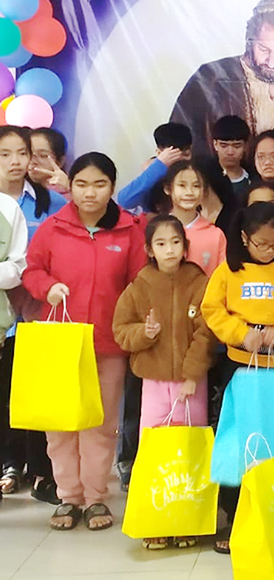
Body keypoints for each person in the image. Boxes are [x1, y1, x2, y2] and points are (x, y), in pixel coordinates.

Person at [23, 152, 147, 531]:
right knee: (60, 423)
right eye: (81, 184)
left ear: (112, 187)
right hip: (60, 343)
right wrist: (48, 287)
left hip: (108, 345)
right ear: (70, 186)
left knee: (101, 424)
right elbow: (32, 271)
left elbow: (139, 284)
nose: (90, 193)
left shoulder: (129, 231)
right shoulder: (54, 227)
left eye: (99, 184)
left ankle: (95, 498)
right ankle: (68, 497)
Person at [201, 202, 274, 552]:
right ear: (244, 238)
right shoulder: (228, 272)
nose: (269, 250)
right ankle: (235, 517)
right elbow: (212, 309)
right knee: (239, 442)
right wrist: (239, 332)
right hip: (238, 368)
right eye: (261, 244)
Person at [111, 215, 214, 549]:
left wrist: (191, 374)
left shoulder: (199, 282)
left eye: (175, 242)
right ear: (149, 249)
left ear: (185, 246)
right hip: (153, 382)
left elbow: (207, 332)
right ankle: (154, 520)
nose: (169, 250)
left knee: (188, 451)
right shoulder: (139, 285)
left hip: (191, 383)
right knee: (154, 450)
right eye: (161, 243)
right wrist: (145, 333)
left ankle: (186, 520)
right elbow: (121, 330)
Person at [0, 126, 62, 504]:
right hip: (5, 318)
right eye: (4, 154)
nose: (14, 162)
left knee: (37, 399)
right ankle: (9, 464)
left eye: (21, 153)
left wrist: (69, 188)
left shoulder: (48, 201)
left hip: (38, 318)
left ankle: (41, 471)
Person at [171, 0, 274, 158]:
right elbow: (178, 138)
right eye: (264, 49)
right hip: (219, 181)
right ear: (249, 41)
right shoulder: (211, 77)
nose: (272, 62)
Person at [160, 161, 227, 275]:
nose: (189, 192)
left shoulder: (215, 235)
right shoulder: (157, 230)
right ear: (167, 189)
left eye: (196, 186)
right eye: (182, 185)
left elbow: (222, 279)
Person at [117, 123, 193, 212]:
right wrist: (158, 166)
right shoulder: (153, 173)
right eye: (172, 156)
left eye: (186, 154)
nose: (180, 162)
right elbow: (125, 201)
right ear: (160, 153)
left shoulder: (197, 170)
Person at [211, 116, 252, 198]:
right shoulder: (204, 178)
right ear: (215, 145)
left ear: (245, 146)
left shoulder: (253, 179)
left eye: (237, 146)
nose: (230, 152)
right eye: (223, 145)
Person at [27, 127, 70, 197]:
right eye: (29, 153)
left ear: (60, 161)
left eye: (42, 155)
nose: (33, 161)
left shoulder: (68, 193)